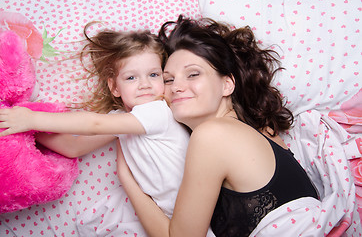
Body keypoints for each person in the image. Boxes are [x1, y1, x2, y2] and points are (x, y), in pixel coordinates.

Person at [113, 15, 320, 237]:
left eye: (193, 74)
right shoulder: (260, 129)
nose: (177, 87)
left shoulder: (212, 135)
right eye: (168, 79)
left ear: (226, 84)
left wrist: (126, 178)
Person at [0, 22, 200, 236]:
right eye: (131, 77)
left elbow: (94, 124)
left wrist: (32, 119)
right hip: (165, 215)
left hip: (190, 214)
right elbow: (73, 147)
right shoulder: (124, 120)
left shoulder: (158, 112)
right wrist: (22, 127)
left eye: (153, 75)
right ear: (114, 87)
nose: (145, 84)